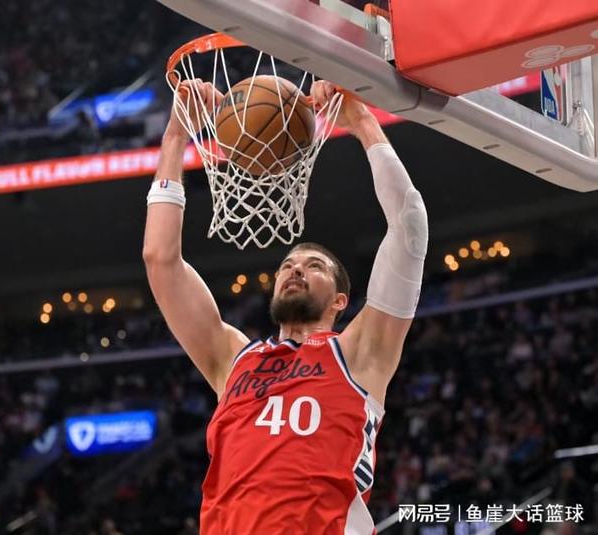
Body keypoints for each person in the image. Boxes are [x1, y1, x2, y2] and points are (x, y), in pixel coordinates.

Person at [143, 79, 428, 534]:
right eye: (288, 265)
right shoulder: (231, 360)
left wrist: (361, 121)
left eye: (314, 266)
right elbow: (160, 260)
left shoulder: (360, 352)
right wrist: (177, 135)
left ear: (340, 300)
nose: (295, 270)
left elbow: (409, 225)